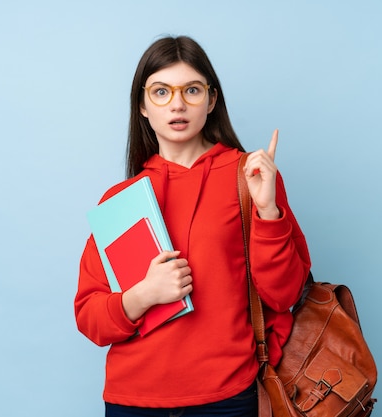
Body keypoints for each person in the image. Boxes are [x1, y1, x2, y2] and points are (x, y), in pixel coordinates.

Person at [74, 35, 311, 417]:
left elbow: (284, 295)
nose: (178, 104)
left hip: (228, 398)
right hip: (132, 400)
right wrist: (145, 295)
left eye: (192, 90)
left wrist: (268, 210)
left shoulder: (249, 176)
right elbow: (90, 317)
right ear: (143, 106)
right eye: (161, 92)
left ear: (211, 100)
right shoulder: (120, 199)